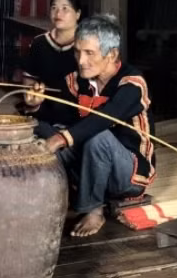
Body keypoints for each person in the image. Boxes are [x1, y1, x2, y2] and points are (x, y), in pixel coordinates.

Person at [36, 14, 155, 238]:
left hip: (127, 174)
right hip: (91, 166)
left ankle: (94, 210)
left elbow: (105, 118)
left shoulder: (132, 83)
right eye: (78, 51)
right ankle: (58, 196)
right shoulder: (76, 80)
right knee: (42, 128)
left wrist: (60, 139)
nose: (81, 60)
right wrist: (35, 104)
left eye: (89, 53)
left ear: (111, 55)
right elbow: (54, 115)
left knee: (97, 136)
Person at [20, 0, 81, 127]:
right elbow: (30, 78)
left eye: (65, 8)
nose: (58, 13)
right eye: (54, 8)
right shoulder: (39, 43)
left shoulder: (86, 45)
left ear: (77, 14)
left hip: (78, 115)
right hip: (44, 112)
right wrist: (32, 94)